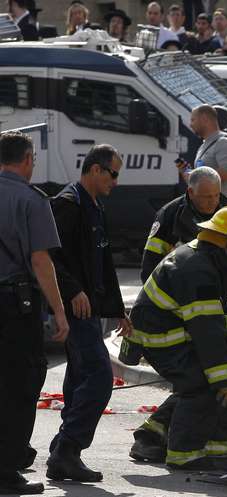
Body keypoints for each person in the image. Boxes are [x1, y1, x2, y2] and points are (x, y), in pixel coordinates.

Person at [125, 206, 227, 469]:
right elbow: (207, 334)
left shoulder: (207, 259)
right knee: (203, 383)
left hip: (172, 333)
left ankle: (154, 432)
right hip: (163, 340)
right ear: (226, 241)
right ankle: (184, 452)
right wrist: (225, 381)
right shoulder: (198, 271)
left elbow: (218, 320)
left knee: (198, 380)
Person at [47, 144, 132, 482]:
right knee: (98, 378)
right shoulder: (68, 204)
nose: (116, 181)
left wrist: (117, 310)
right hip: (75, 309)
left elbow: (104, 263)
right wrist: (72, 291)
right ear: (95, 170)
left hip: (92, 310)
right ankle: (66, 448)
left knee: (80, 379)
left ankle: (64, 453)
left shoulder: (94, 206)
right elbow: (48, 255)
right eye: (113, 174)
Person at [0, 131, 69, 495]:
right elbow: (41, 260)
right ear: (27, 160)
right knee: (19, 386)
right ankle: (7, 469)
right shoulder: (31, 199)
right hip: (15, 307)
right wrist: (59, 311)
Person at [142, 166, 227, 281]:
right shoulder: (169, 215)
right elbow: (151, 262)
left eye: (217, 195)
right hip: (182, 284)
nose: (213, 201)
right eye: (207, 196)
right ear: (191, 192)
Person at [181, 104, 227, 200]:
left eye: (193, 120)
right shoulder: (204, 145)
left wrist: (196, 178)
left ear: (204, 119)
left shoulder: (223, 142)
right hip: (204, 207)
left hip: (219, 207)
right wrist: (188, 173)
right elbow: (199, 178)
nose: (190, 125)